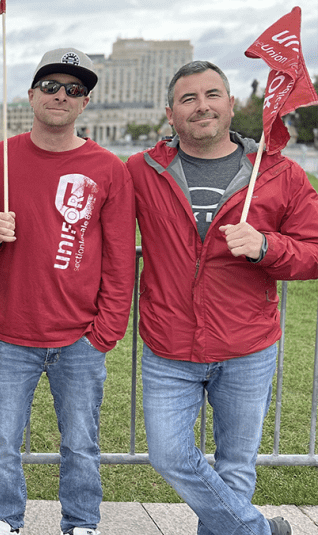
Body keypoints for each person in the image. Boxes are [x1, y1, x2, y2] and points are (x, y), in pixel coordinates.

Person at [127, 60, 318, 535]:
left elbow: (315, 250)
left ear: (231, 105)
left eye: (212, 95)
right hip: (169, 345)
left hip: (247, 346)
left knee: (236, 469)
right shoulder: (142, 170)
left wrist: (266, 247)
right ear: (170, 114)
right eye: (188, 99)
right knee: (169, 456)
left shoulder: (279, 175)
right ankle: (259, 531)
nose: (201, 106)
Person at [0, 48, 135, 535]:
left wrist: (104, 332)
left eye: (74, 90)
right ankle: (2, 519)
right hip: (8, 333)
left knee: (81, 442)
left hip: (79, 337)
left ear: (85, 104)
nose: (61, 96)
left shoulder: (108, 168)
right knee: (1, 440)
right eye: (51, 86)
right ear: (31, 95)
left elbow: (121, 257)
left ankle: (82, 523)